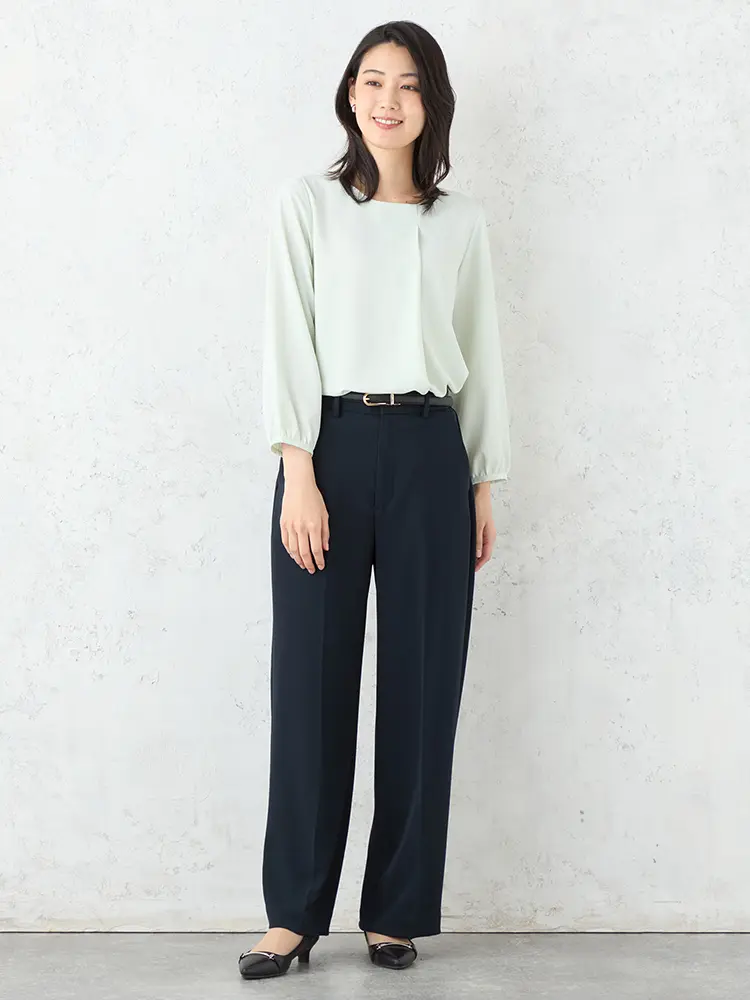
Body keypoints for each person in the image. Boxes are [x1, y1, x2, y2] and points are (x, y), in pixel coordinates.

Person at [238, 19, 511, 981]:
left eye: (407, 84)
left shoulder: (461, 222)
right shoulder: (308, 204)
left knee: (424, 685)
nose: (386, 99)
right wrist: (297, 470)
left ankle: (396, 909)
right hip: (332, 445)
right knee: (309, 682)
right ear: (350, 95)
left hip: (434, 450)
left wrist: (484, 480)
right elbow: (286, 337)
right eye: (371, 81)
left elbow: (481, 351)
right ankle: (293, 914)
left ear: (431, 103)